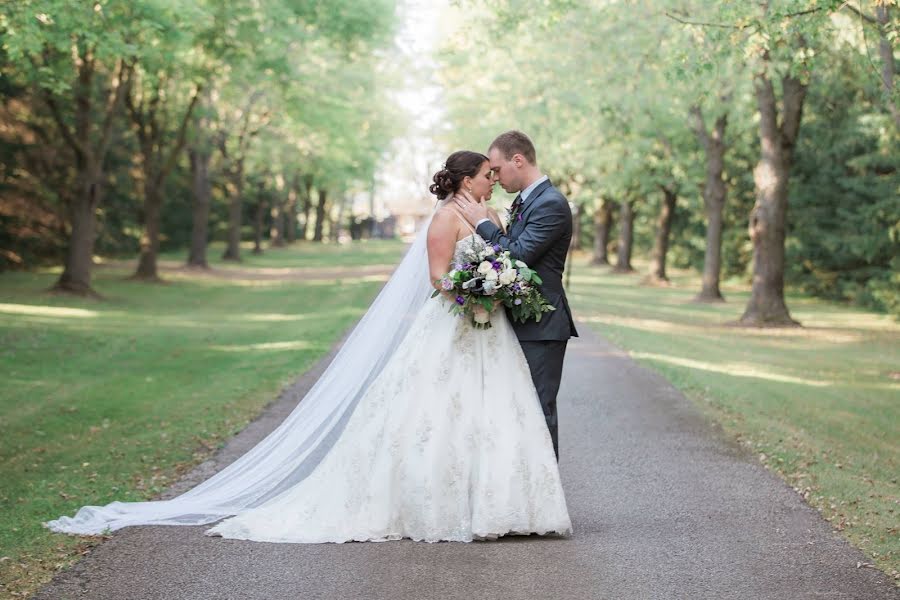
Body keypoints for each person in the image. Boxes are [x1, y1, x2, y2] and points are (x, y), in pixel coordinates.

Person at [44, 150, 571, 544]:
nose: (493, 181)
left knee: (496, 412)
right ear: (465, 178)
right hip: (454, 322)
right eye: (486, 175)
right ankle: (432, 503)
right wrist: (473, 288)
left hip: (490, 330)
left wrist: (496, 286)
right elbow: (437, 278)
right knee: (430, 412)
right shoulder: (443, 218)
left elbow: (504, 256)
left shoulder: (493, 216)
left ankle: (503, 506)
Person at [454, 131, 578, 460]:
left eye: (496, 169)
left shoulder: (551, 203)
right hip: (520, 321)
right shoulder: (527, 200)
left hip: (542, 325)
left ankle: (546, 500)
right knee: (515, 408)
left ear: (518, 160)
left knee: (538, 409)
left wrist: (482, 223)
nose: (494, 177)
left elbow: (518, 255)